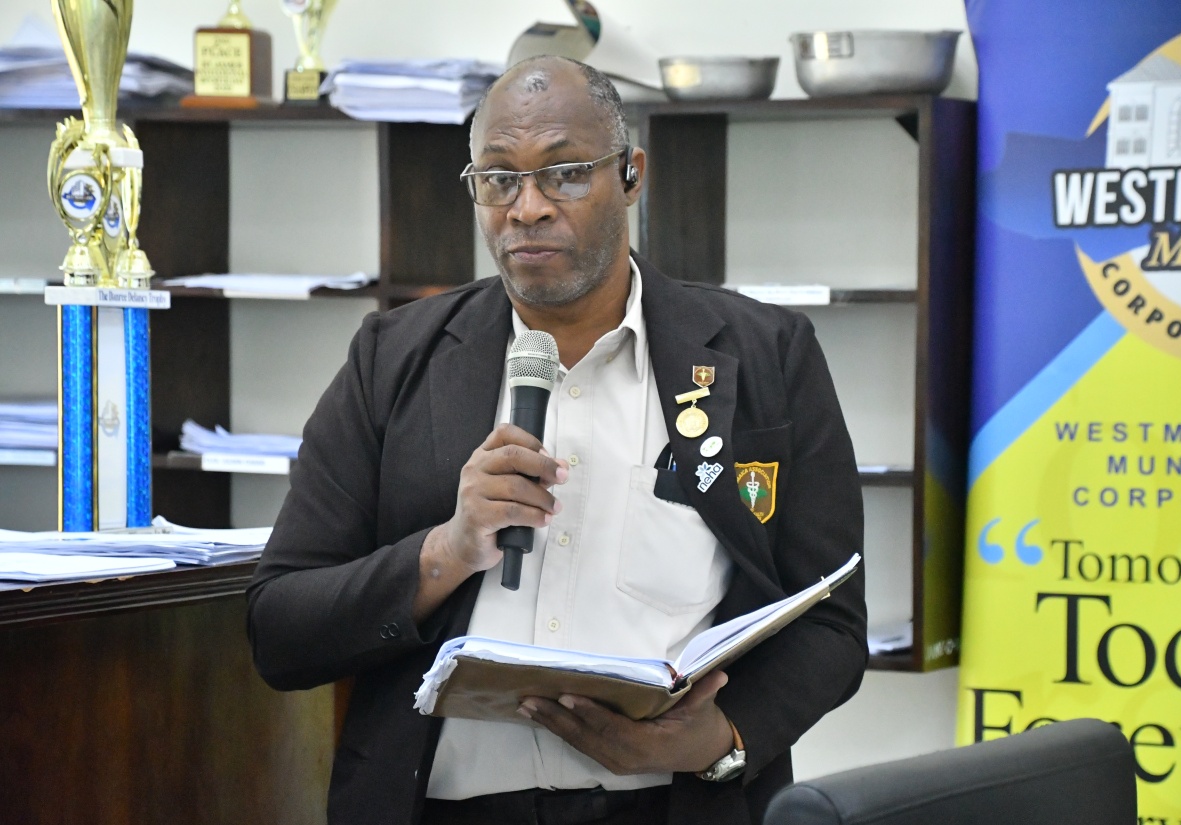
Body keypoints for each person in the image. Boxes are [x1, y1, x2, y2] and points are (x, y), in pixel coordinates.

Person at [247, 55, 867, 825]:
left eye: (566, 173)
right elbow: (279, 627)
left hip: (676, 807)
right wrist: (444, 550)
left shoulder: (767, 353)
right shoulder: (391, 359)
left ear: (632, 174)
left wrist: (718, 739)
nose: (528, 207)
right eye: (498, 178)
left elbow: (832, 622)